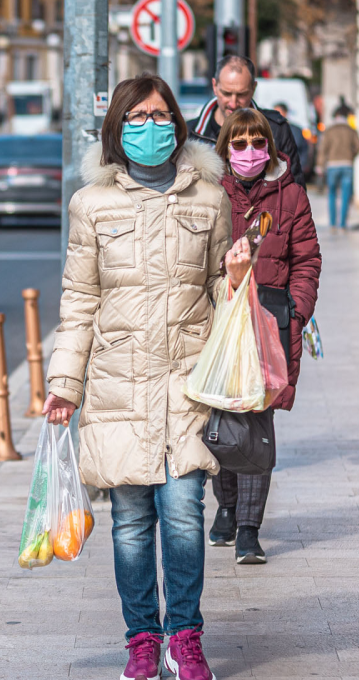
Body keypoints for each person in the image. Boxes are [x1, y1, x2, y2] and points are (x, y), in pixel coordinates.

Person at [42, 73, 252, 680]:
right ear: (117, 130)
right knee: (131, 522)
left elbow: (219, 285)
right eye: (137, 119)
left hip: (187, 384)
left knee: (184, 512)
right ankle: (141, 639)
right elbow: (79, 299)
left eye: (161, 117)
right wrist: (65, 386)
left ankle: (184, 637)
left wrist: (236, 276)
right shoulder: (91, 205)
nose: (151, 128)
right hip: (116, 386)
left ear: (179, 125)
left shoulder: (210, 198)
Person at [207, 108, 322, 564]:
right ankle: (227, 507)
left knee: (257, 423)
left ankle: (249, 530)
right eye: (240, 144)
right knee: (218, 420)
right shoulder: (210, 192)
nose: (250, 152)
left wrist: (295, 310)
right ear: (225, 149)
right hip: (218, 321)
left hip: (269, 323)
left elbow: (307, 259)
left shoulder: (290, 195)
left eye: (258, 143)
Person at [189, 55, 305, 187]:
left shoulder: (276, 129)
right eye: (227, 93)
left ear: (253, 88)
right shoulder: (190, 134)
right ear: (215, 86)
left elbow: (295, 192)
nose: (233, 103)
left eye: (241, 94)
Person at [316, 105, 359, 232]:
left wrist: (320, 165)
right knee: (346, 195)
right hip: (347, 164)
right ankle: (342, 224)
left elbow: (323, 149)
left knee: (332, 194)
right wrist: (351, 156)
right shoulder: (351, 130)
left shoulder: (329, 131)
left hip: (332, 166)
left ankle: (332, 224)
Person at [272, 102, 312, 173]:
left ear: (285, 113)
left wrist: (301, 165)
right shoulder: (270, 130)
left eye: (278, 112)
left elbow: (303, 148)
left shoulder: (296, 130)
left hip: (293, 169)